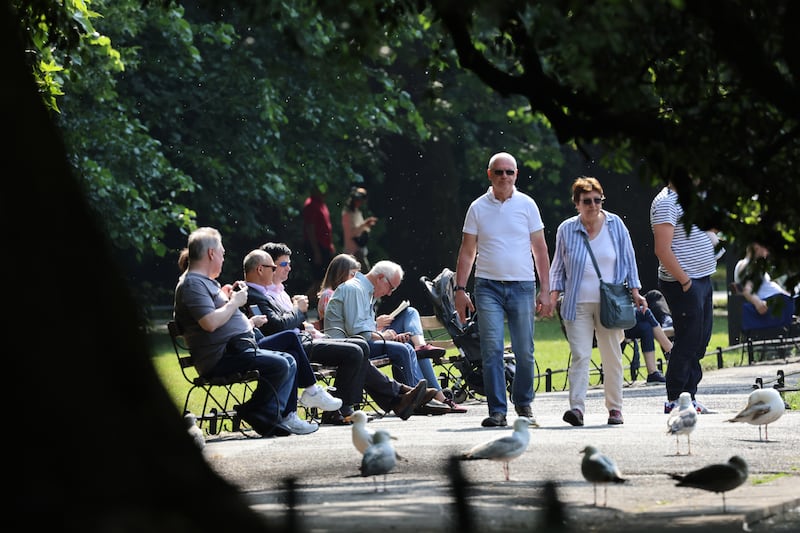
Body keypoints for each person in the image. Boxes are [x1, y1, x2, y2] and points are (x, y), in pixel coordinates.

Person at [256, 247, 435, 422]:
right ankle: (398, 397)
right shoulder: (261, 294)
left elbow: (293, 324)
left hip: (313, 340)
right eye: (282, 264)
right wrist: (299, 311)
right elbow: (278, 326)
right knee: (363, 349)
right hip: (301, 345)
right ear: (263, 268)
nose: (289, 267)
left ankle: (399, 398)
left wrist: (307, 325)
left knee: (369, 348)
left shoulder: (281, 293)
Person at [172, 227, 312, 437]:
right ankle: (259, 413)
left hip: (236, 349)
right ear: (211, 253)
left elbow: (218, 318)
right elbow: (209, 323)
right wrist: (234, 303)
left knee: (289, 359)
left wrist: (233, 307)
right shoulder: (193, 284)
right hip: (222, 357)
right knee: (282, 363)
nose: (222, 259)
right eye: (222, 254)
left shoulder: (203, 283)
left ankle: (263, 414)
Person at [454, 151, 553, 428]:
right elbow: (467, 251)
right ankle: (497, 410)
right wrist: (460, 289)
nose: (504, 177)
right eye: (499, 172)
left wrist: (546, 290)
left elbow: (540, 249)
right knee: (492, 350)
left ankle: (522, 401)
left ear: (516, 175)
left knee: (525, 350)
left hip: (522, 285)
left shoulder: (527, 205)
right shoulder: (477, 207)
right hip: (487, 287)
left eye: (509, 172)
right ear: (489, 175)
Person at [549, 177, 647, 427]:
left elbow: (629, 260)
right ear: (577, 203)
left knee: (612, 355)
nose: (593, 205)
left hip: (611, 303)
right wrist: (551, 296)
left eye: (597, 200)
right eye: (587, 201)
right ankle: (577, 409)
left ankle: (615, 408)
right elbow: (558, 268)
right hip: (576, 302)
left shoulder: (616, 225)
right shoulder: (566, 229)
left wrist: (636, 291)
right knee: (580, 355)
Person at [324, 260, 455, 414]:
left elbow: (361, 329)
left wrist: (387, 336)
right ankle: (414, 400)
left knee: (405, 346)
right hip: (345, 346)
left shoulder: (364, 291)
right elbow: (357, 332)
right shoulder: (355, 289)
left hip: (355, 345)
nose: (389, 293)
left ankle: (411, 398)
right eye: (390, 287)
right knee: (401, 350)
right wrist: (384, 336)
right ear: (380, 277)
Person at [651, 179, 718, 415]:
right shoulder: (665, 202)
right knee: (688, 341)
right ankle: (675, 398)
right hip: (683, 283)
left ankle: (690, 397)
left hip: (702, 277)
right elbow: (662, 249)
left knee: (700, 341)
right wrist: (685, 281)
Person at [733, 241, 797, 331]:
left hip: (780, 306)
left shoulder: (753, 265)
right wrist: (757, 303)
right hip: (771, 311)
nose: (767, 251)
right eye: (765, 247)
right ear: (756, 247)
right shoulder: (749, 265)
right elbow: (747, 289)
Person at [302, 185, 335, 305]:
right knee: (319, 281)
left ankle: (316, 305)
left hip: (324, 247)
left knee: (324, 280)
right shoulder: (311, 205)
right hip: (316, 247)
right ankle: (303, 304)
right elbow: (310, 228)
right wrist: (316, 252)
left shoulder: (322, 204)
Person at [624, 307, 673, 383]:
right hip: (609, 315)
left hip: (622, 315)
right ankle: (672, 351)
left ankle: (652, 373)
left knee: (646, 327)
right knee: (644, 311)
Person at [342, 186, 378, 271]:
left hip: (359, 250)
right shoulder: (347, 213)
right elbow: (351, 233)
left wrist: (367, 225)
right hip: (353, 252)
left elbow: (360, 229)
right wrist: (364, 224)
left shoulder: (357, 212)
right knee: (365, 276)